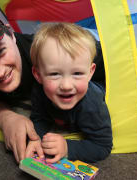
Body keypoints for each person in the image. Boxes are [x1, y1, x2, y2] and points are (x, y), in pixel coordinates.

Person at [0, 4, 106, 163]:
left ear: (12, 34)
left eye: (0, 51)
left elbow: (113, 63)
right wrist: (7, 118)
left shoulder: (49, 54)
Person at [25, 23, 112, 163]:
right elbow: (39, 118)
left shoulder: (92, 104)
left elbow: (103, 145)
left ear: (90, 72)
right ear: (38, 75)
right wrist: (36, 138)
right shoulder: (39, 90)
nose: (66, 86)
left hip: (99, 91)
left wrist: (67, 147)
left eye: (77, 73)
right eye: (54, 74)